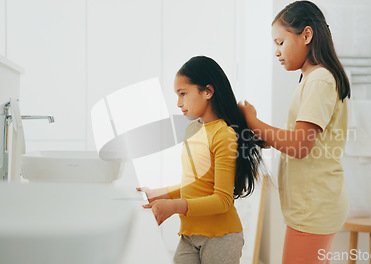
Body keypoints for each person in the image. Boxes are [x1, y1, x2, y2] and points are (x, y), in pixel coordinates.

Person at [238, 1, 351, 263]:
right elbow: (305, 138)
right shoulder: (313, 79)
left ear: (307, 35)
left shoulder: (320, 80)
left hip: (314, 207)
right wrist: (263, 136)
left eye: (280, 42)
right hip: (313, 204)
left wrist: (253, 122)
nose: (276, 52)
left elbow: (300, 146)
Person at [137, 56, 264, 264]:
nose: (179, 103)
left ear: (207, 91)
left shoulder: (224, 135)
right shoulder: (192, 130)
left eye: (183, 94)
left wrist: (174, 206)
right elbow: (194, 186)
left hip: (221, 238)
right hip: (189, 235)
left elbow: (222, 200)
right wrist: (159, 194)